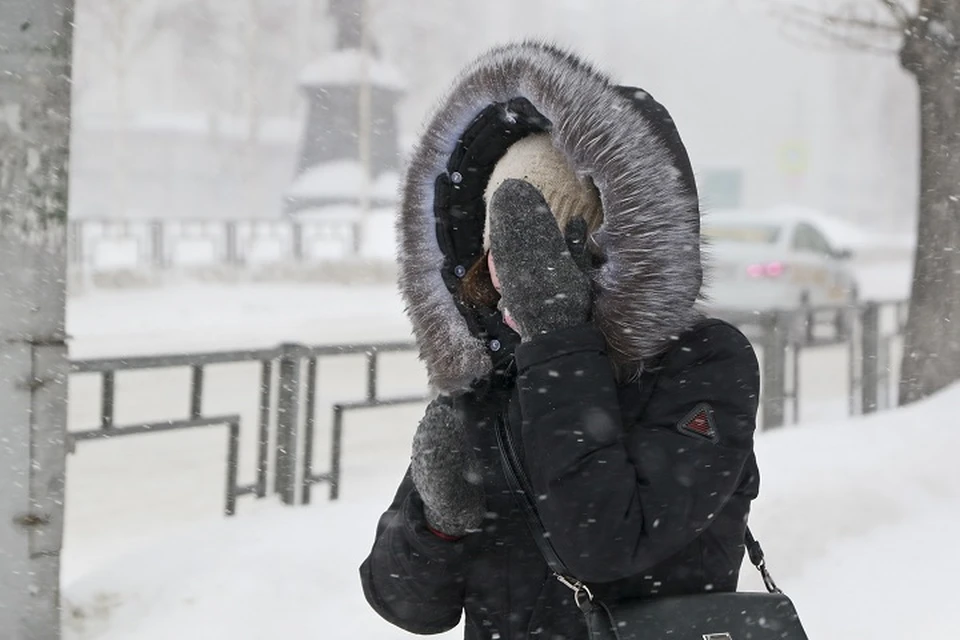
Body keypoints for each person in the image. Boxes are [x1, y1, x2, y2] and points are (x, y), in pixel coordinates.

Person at [360, 41, 761, 640]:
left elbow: (605, 544)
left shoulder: (701, 363)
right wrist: (436, 522)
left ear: (602, 245)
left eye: (540, 249)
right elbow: (411, 608)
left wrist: (557, 335)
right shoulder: (491, 371)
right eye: (501, 252)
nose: (511, 274)